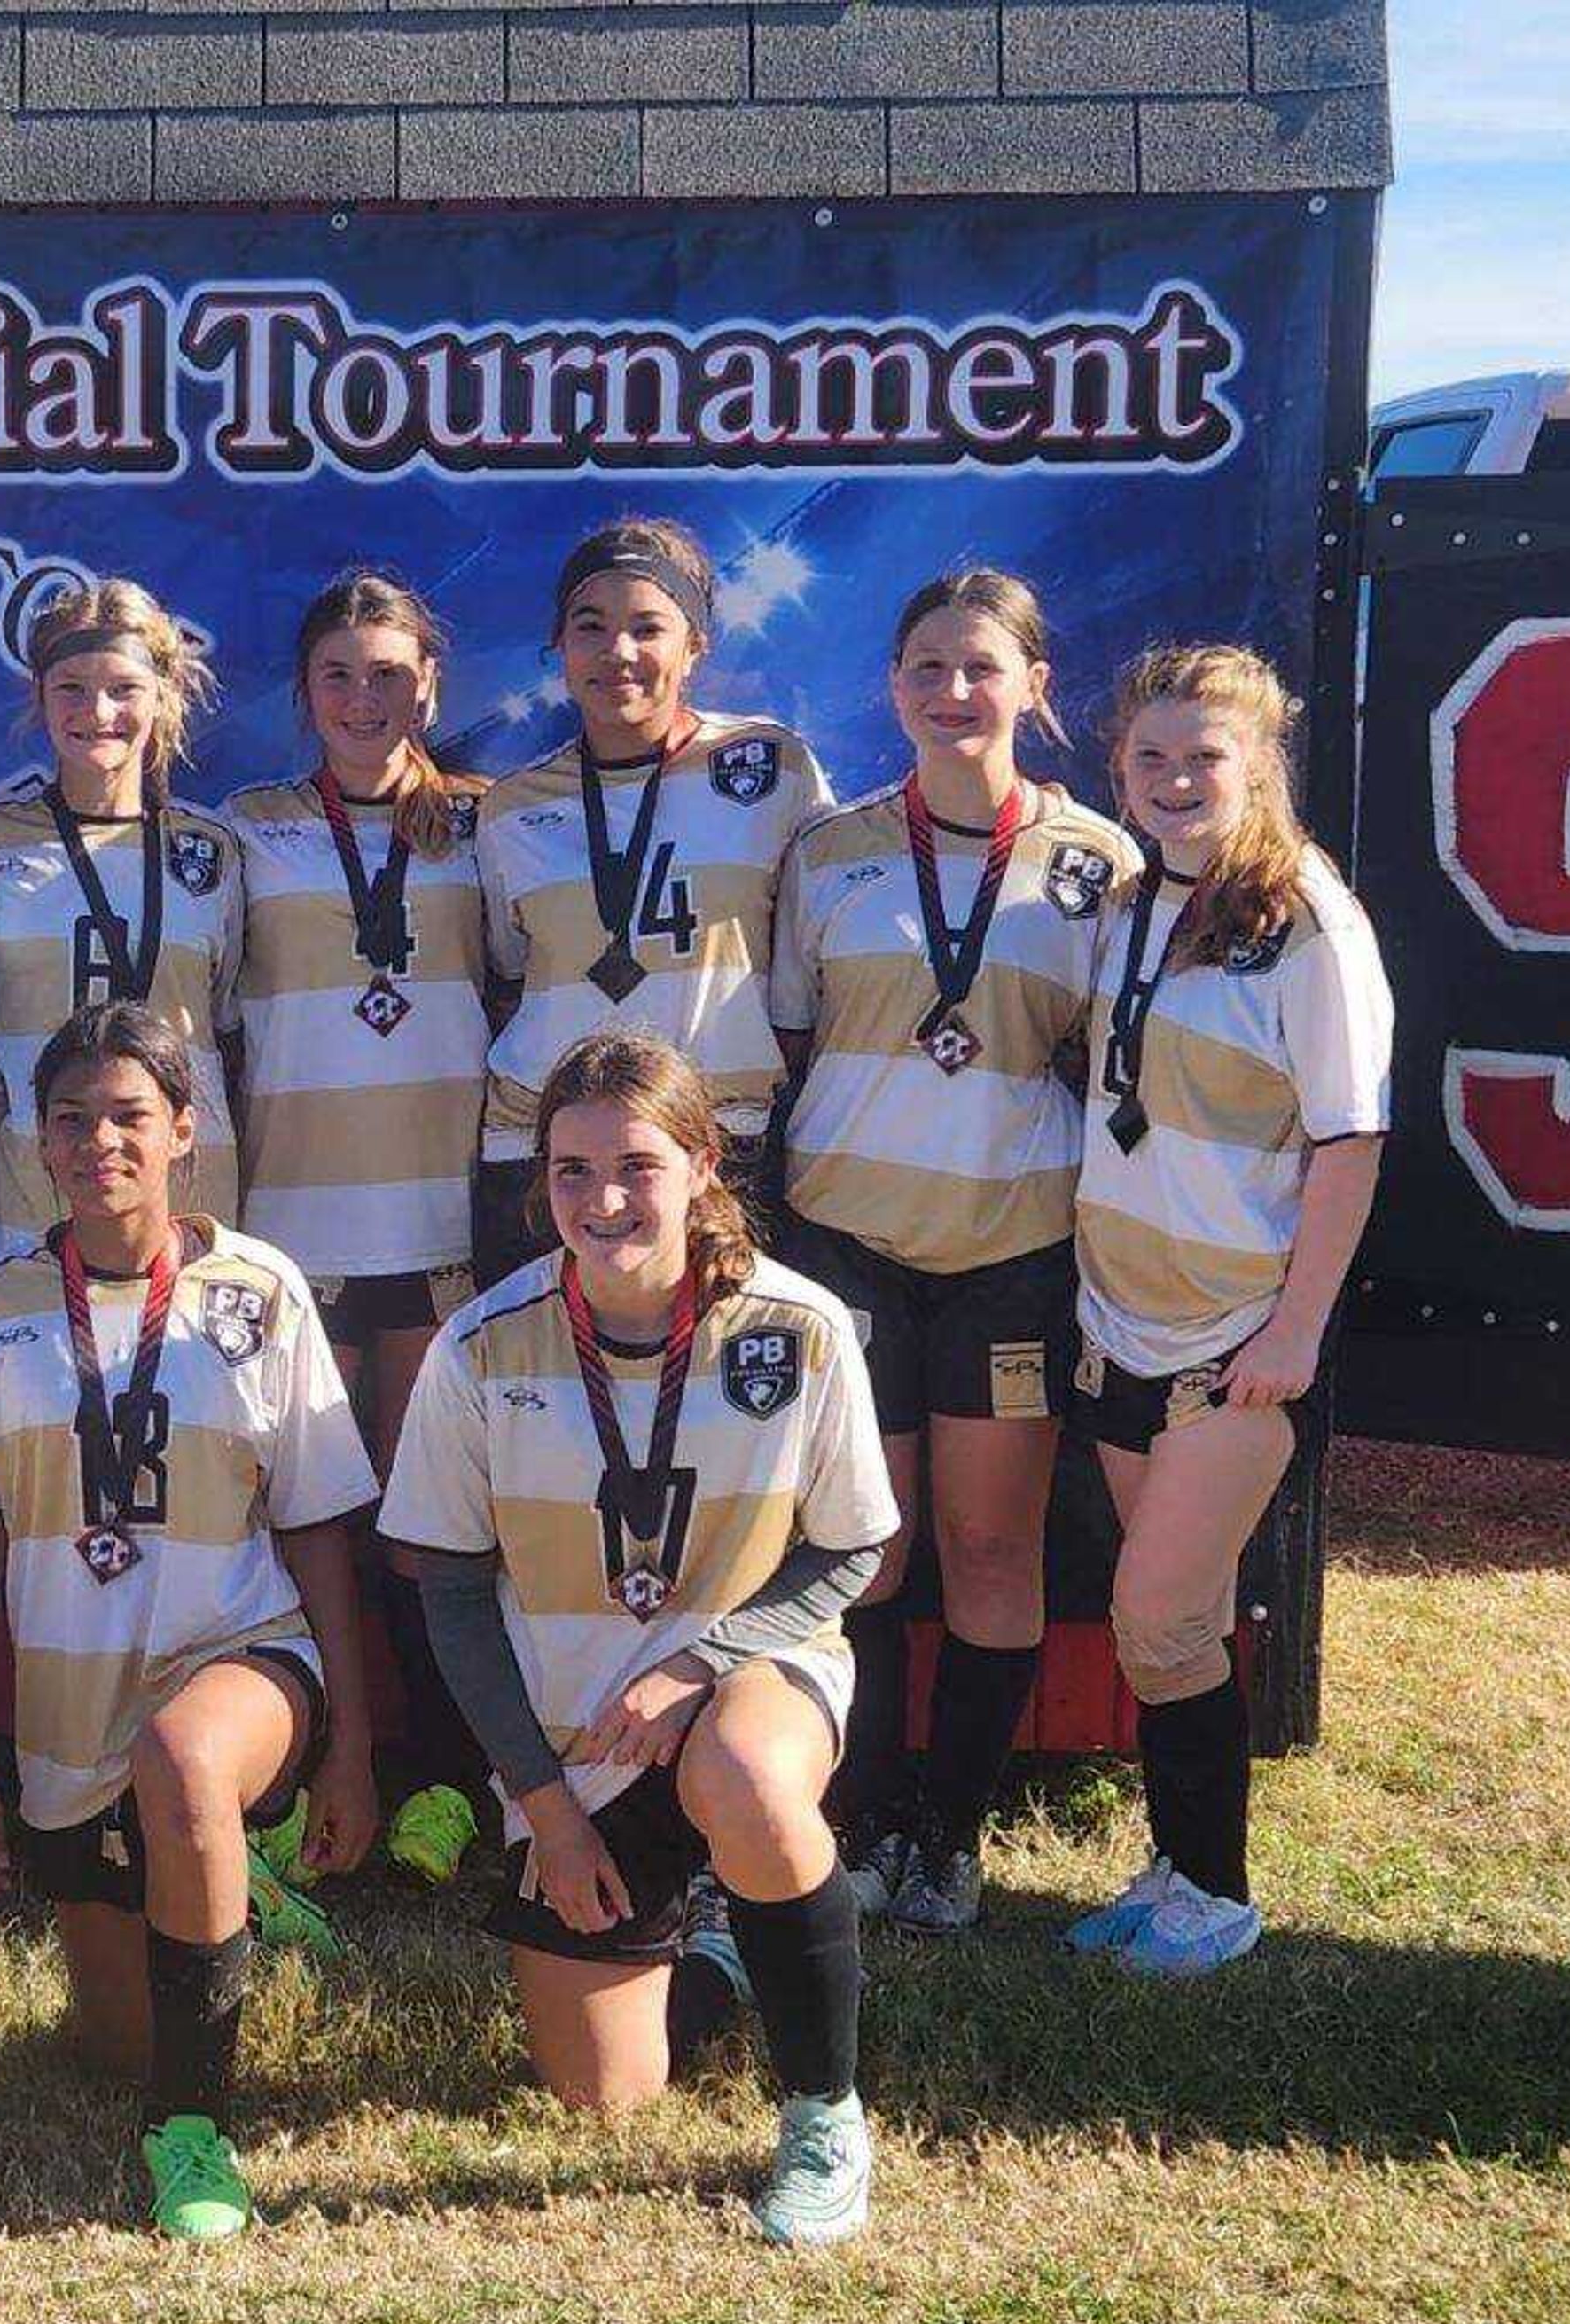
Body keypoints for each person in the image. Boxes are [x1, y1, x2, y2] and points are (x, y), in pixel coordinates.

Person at [383, 1029, 897, 2243]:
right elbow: (452, 1596)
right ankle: (726, 1957)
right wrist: (549, 1810)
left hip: (744, 1679)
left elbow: (855, 1551)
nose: (603, 1200)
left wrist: (699, 1662)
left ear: (703, 1164)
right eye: (570, 1170)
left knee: (748, 1779)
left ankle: (825, 2113)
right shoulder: (482, 1348)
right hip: (577, 1736)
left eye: (636, 1165)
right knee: (604, 2100)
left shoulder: (798, 1329)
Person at [0, 1001, 379, 2242]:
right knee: (116, 2042)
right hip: (73, 1709)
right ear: (38, 1141)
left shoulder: (262, 1289)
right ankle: (233, 1884)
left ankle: (195, 2139)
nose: (99, 1142)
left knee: (185, 1767)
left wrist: (354, 1748)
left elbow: (324, 1530)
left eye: (130, 1115)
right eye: (71, 1120)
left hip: (242, 1655)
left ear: (185, 1128)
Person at [769, 570, 1145, 1929]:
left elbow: (1124, 1070)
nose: (951, 691)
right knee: (867, 1553)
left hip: (1013, 1256)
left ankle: (951, 1831)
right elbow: (794, 1043)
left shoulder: (1103, 865)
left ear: (1034, 686)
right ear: (893, 687)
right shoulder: (828, 852)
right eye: (924, 666)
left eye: (980, 667)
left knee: (990, 1552)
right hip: (851, 1251)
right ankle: (864, 1824)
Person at [1066, 645, 1390, 1977]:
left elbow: (1351, 1141)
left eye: (1205, 755)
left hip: (1234, 1349)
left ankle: (1221, 1895)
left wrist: (1297, 1330)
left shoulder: (1311, 920)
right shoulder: (1139, 899)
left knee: (1156, 1614)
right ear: (1121, 773)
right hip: (1119, 1323)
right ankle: (1181, 1869)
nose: (1177, 779)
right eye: (1151, 758)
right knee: (1173, 1629)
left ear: (1259, 762)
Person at [216, 569, 496, 1874]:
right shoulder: (241, 832)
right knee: (296, 1525)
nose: (364, 696)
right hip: (293, 1235)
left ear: (429, 683)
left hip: (440, 1225)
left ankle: (442, 1782)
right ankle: (299, 1783)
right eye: (338, 673)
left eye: (389, 672)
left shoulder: (495, 827)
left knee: (429, 1527)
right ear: (304, 691)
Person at [472, 520, 833, 1288]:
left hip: (716, 1141)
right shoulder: (512, 807)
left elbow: (820, 942)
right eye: (590, 628)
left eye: (648, 627)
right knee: (546, 1393)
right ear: (560, 647)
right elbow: (507, 971)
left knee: (709, 1389)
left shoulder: (770, 769)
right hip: (544, 1149)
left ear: (696, 645)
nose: (619, 653)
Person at [0, 581, 246, 1265]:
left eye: (123, 688)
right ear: (40, 697)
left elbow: (225, 1022)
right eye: (72, 689)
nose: (99, 712)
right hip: (26, 1195)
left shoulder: (213, 850)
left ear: (162, 696)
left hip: (183, 1194)